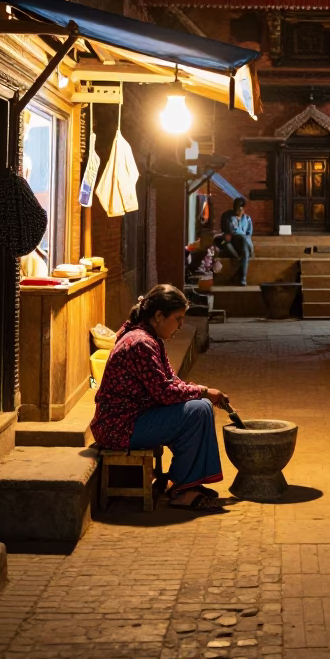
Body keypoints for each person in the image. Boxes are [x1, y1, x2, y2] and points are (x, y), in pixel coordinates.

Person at [91, 284, 229, 511]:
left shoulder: (148, 336)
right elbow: (165, 393)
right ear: (158, 316)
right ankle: (184, 489)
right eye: (177, 319)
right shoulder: (140, 343)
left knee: (200, 406)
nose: (180, 326)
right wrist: (204, 391)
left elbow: (171, 381)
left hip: (133, 418)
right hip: (119, 426)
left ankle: (186, 481)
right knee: (199, 410)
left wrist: (197, 391)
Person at [217, 196, 253, 286]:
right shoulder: (227, 216)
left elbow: (249, 234)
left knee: (245, 241)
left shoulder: (247, 219)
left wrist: (242, 236)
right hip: (231, 242)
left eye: (239, 207)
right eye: (236, 207)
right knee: (243, 253)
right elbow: (227, 231)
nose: (237, 209)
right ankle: (240, 277)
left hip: (244, 244)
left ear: (243, 208)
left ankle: (243, 278)